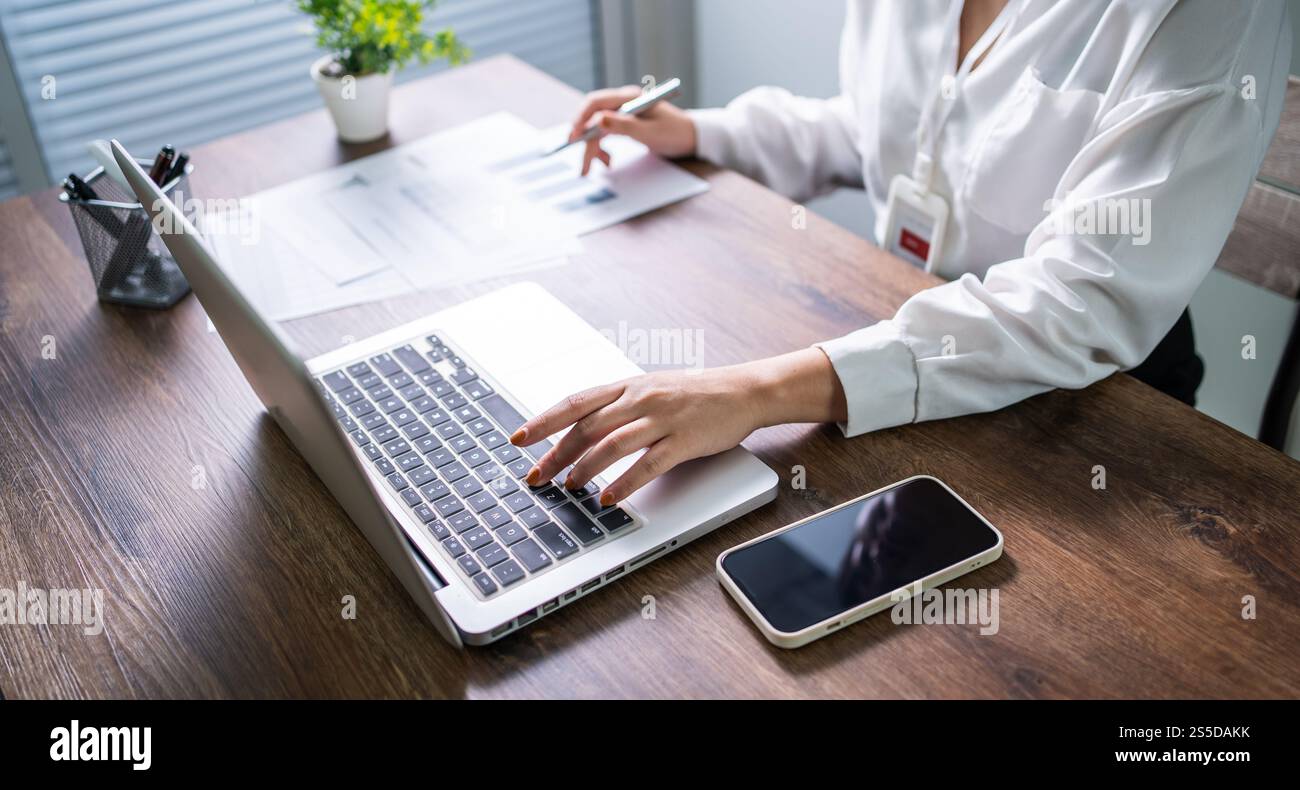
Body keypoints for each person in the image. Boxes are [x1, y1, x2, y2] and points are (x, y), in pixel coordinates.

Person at [508, 0, 1293, 507]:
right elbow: (882, 129)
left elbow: (1080, 299)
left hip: (1085, 404)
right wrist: (707, 135)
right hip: (885, 343)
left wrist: (753, 391)